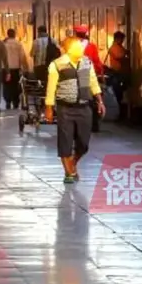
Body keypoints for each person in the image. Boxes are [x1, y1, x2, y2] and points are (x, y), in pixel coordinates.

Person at [44, 36, 105, 184]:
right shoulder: (57, 65)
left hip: (84, 107)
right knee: (65, 140)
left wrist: (100, 101)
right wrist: (49, 108)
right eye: (77, 45)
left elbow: (93, 82)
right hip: (65, 108)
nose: (80, 48)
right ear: (67, 48)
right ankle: (69, 173)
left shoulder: (86, 63)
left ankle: (72, 163)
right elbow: (51, 88)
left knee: (83, 144)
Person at [73, 25, 104, 132]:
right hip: (88, 75)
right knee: (91, 100)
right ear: (86, 34)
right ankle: (93, 124)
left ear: (76, 34)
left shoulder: (72, 46)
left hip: (74, 75)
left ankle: (77, 123)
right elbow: (96, 61)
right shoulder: (92, 46)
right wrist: (100, 72)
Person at [2, 28, 27, 110]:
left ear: (7, 34)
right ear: (14, 34)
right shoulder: (18, 44)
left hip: (5, 68)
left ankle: (8, 101)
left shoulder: (4, 44)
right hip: (15, 68)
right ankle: (15, 102)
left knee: (6, 85)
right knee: (15, 85)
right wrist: (25, 67)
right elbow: (22, 56)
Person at [105, 31, 128, 110]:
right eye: (122, 39)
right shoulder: (114, 47)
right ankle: (117, 109)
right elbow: (118, 56)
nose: (122, 41)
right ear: (117, 39)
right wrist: (125, 53)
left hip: (119, 73)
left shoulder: (119, 46)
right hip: (116, 73)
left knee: (119, 92)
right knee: (117, 91)